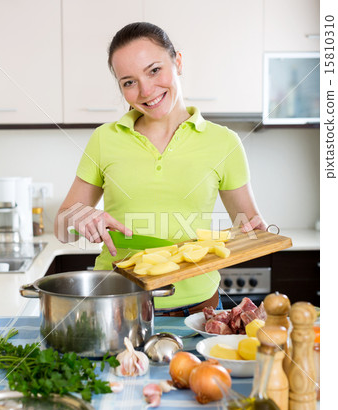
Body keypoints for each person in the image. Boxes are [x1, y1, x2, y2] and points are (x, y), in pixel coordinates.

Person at [54, 22, 267, 316]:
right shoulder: (105, 138)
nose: (146, 90)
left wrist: (251, 232)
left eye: (154, 70)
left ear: (177, 62)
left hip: (199, 310)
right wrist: (82, 217)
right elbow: (62, 227)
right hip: (117, 305)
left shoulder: (224, 142)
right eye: (129, 82)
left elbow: (249, 226)